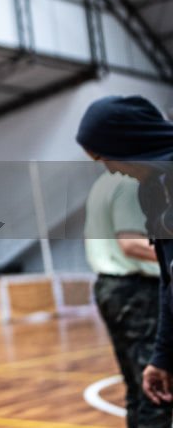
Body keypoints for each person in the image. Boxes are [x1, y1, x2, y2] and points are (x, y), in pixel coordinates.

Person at [76, 95, 173, 414]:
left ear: (129, 144)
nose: (111, 171)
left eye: (107, 158)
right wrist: (162, 356)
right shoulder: (151, 190)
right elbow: (167, 278)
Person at [82, 165, 168, 428]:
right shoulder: (130, 183)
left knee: (136, 388)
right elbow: (131, 242)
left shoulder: (102, 183)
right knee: (157, 393)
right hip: (136, 291)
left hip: (112, 289)